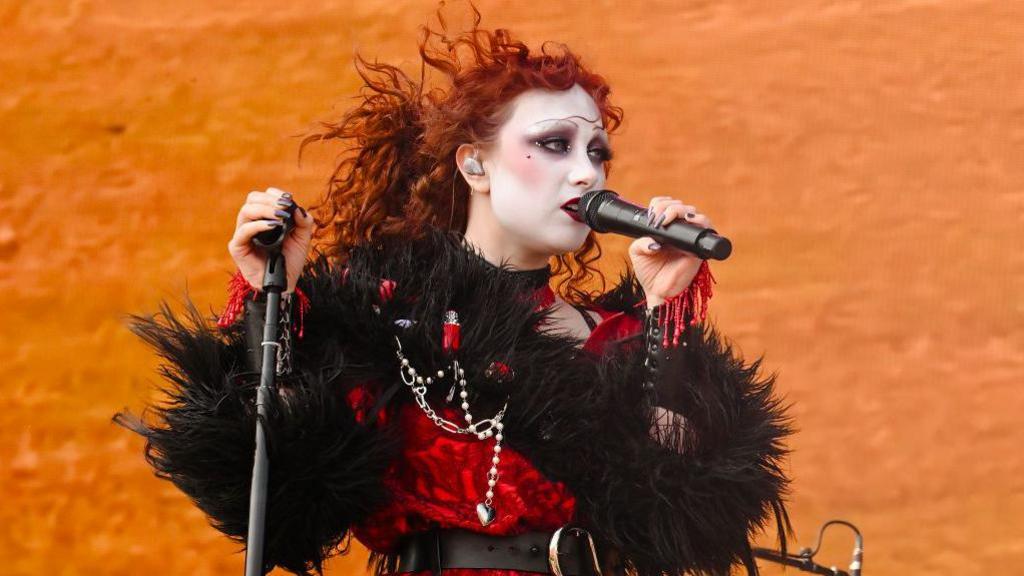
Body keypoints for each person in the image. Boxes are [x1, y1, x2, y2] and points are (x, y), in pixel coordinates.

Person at [116, 7, 791, 576]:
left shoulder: (613, 338)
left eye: (597, 153)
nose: (586, 174)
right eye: (554, 144)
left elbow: (679, 519)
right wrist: (275, 294)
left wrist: (666, 310)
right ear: (474, 164)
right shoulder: (384, 320)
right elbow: (282, 489)